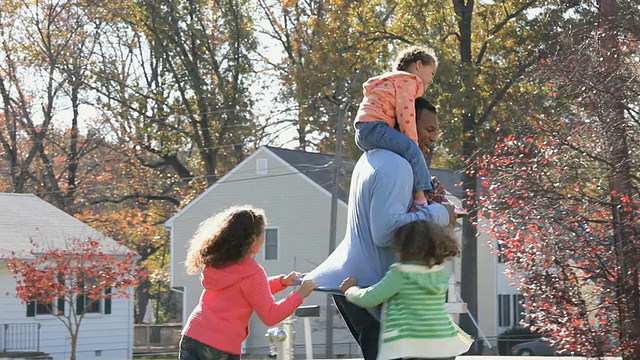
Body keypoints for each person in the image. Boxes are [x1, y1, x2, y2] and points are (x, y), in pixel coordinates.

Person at [306, 98, 456, 360]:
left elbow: (393, 218)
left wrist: (430, 202)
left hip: (361, 282)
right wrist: (441, 213)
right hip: (371, 287)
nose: (433, 138)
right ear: (407, 121)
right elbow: (385, 231)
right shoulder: (395, 165)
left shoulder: (374, 159)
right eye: (429, 129)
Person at [179, 205, 317, 360]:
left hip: (193, 334)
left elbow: (248, 292)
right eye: (264, 232)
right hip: (220, 347)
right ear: (253, 239)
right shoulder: (252, 272)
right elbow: (270, 315)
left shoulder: (219, 261)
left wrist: (282, 282)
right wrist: (300, 295)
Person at [340, 220, 472, 360]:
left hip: (414, 346)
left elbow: (370, 297)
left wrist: (350, 290)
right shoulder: (439, 272)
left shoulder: (400, 274)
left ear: (402, 246)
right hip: (445, 343)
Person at [354, 45, 439, 210]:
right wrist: (412, 142)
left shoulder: (392, 81)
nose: (431, 79)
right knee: (409, 148)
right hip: (375, 127)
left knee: (403, 149)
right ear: (419, 65)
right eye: (432, 73)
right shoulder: (408, 81)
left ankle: (424, 191)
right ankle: (423, 197)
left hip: (364, 130)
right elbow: (405, 115)